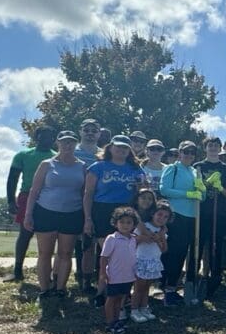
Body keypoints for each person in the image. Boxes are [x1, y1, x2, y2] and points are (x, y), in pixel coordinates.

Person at [23, 130, 86, 298]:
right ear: (57, 143)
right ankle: (45, 288)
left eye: (71, 142)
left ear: (76, 144)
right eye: (64, 142)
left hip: (72, 214)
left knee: (65, 254)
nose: (68, 145)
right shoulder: (46, 164)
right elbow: (34, 190)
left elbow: (84, 194)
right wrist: (28, 214)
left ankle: (60, 288)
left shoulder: (82, 166)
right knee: (45, 253)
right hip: (45, 212)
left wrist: (87, 218)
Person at [83, 135, 147, 297]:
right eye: (118, 146)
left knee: (124, 254)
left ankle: (121, 292)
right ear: (110, 148)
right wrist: (88, 219)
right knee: (108, 253)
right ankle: (102, 292)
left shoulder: (136, 169)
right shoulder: (98, 167)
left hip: (126, 213)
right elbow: (88, 194)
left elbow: (142, 194)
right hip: (102, 211)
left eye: (125, 147)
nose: (121, 150)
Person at [5, 126, 56, 282]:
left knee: (50, 235)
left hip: (49, 197)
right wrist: (11, 201)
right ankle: (18, 269)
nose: (47, 139)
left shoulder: (56, 157)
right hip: (27, 196)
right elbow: (12, 178)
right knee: (25, 234)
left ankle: (49, 271)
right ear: (37, 137)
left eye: (50, 136)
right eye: (43, 135)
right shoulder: (23, 155)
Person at [159, 141, 202, 305]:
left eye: (192, 152)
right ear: (180, 152)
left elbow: (200, 196)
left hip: (193, 217)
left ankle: (171, 286)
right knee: (174, 253)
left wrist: (201, 191)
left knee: (183, 253)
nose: (189, 155)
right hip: (176, 215)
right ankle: (168, 289)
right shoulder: (172, 168)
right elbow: (165, 190)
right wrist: (189, 194)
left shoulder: (195, 171)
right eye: (186, 152)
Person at [194, 137, 226, 296]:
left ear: (220, 148)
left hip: (219, 214)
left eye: (216, 145)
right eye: (210, 145)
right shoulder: (198, 166)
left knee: (215, 248)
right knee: (198, 246)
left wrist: (220, 187)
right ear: (205, 148)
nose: (213, 148)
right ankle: (193, 278)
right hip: (200, 213)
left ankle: (214, 279)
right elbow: (194, 188)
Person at [98, 206, 139, 334]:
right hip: (114, 276)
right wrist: (103, 273)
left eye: (129, 222)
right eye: (122, 222)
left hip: (128, 276)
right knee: (111, 299)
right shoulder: (112, 239)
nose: (125, 225)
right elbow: (104, 257)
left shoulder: (133, 239)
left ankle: (117, 320)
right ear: (115, 223)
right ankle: (110, 323)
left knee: (121, 298)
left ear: (134, 224)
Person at [73, 119, 101, 291]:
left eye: (94, 130)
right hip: (74, 200)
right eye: (87, 130)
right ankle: (81, 274)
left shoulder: (103, 154)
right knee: (78, 240)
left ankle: (93, 276)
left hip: (95, 201)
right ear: (81, 131)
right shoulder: (73, 151)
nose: (90, 133)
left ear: (99, 134)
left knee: (93, 240)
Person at [131, 200, 169, 322]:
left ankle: (144, 307)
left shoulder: (163, 231)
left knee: (147, 286)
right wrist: (143, 238)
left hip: (153, 261)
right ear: (153, 213)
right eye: (159, 214)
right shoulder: (144, 226)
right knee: (139, 287)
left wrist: (161, 239)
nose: (161, 218)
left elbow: (164, 250)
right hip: (141, 260)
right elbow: (134, 241)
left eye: (165, 217)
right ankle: (134, 310)